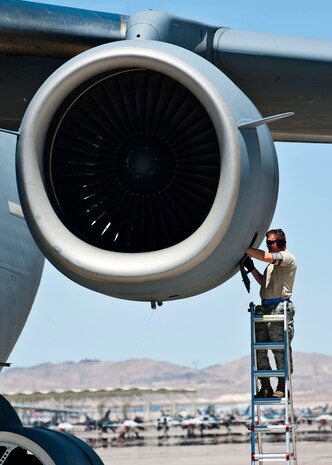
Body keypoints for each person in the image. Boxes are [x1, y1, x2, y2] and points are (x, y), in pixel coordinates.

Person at [243, 228, 297, 398]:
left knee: (279, 350)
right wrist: (251, 268)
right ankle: (265, 386)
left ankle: (282, 386)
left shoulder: (286, 258)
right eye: (267, 243)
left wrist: (243, 247)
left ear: (281, 242)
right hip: (265, 308)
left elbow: (266, 257)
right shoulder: (272, 267)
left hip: (279, 308)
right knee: (260, 350)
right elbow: (264, 284)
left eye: (271, 242)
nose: (268, 246)